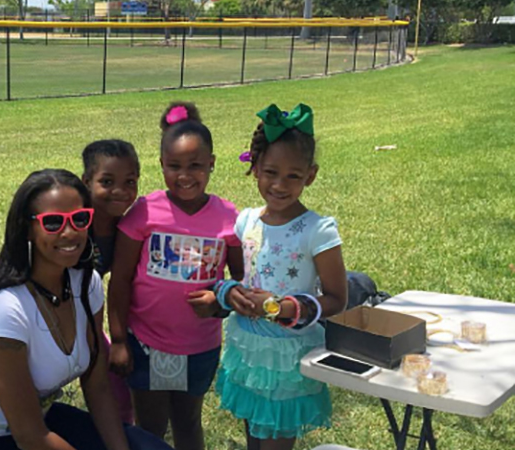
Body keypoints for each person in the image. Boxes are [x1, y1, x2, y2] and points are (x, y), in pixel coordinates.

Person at [0, 169, 171, 450]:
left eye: (79, 219)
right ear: (27, 228)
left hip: (43, 422)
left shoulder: (87, 284)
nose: (70, 232)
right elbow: (29, 435)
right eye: (52, 223)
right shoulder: (5, 308)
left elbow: (97, 386)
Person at [108, 102, 244, 450]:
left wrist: (220, 303)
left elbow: (243, 284)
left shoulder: (229, 219)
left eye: (196, 165)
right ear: (162, 166)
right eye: (175, 166)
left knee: (187, 423)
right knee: (150, 427)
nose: (185, 175)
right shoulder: (145, 212)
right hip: (147, 344)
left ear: (211, 164)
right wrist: (120, 340)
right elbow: (120, 279)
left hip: (200, 346)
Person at [214, 104, 348, 450]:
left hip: (287, 355)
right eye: (270, 172)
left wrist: (280, 307)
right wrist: (230, 292)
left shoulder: (318, 230)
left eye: (293, 175)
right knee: (253, 435)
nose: (279, 184)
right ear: (255, 169)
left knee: (275, 440)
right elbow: (238, 277)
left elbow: (337, 298)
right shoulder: (245, 220)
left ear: (311, 175)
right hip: (248, 346)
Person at [81, 139, 141, 424]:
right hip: (43, 323)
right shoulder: (73, 226)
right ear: (86, 181)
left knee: (118, 393)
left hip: (87, 323)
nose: (120, 191)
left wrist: (117, 341)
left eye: (130, 181)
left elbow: (121, 285)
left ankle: (121, 435)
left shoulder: (126, 228)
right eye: (107, 181)